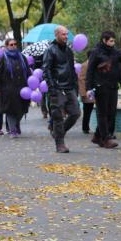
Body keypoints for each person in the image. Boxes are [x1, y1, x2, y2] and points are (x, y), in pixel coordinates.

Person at [86, 31, 121, 148]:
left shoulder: (114, 52)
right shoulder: (96, 52)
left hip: (113, 87)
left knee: (111, 113)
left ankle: (98, 136)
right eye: (111, 41)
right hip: (100, 87)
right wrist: (88, 88)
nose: (113, 43)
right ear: (104, 40)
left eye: (114, 41)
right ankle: (106, 138)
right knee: (102, 113)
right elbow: (90, 71)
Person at [42, 25, 81, 153]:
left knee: (75, 113)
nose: (66, 36)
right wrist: (52, 87)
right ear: (57, 35)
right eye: (63, 34)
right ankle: (60, 144)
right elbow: (46, 70)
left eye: (67, 34)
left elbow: (72, 70)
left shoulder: (69, 51)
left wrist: (75, 86)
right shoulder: (50, 50)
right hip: (57, 88)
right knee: (57, 116)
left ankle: (58, 133)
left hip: (69, 87)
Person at [0, 39, 30, 138]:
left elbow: (28, 72)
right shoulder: (3, 58)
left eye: (15, 44)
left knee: (21, 109)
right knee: (10, 110)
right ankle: (12, 130)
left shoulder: (22, 57)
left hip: (22, 89)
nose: (14, 46)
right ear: (6, 46)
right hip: (8, 89)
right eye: (11, 44)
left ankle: (16, 124)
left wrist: (31, 84)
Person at [78, 51, 94, 134]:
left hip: (94, 91)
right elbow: (81, 79)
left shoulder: (95, 65)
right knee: (87, 110)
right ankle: (85, 127)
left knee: (91, 109)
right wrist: (83, 93)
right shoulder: (85, 65)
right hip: (87, 92)